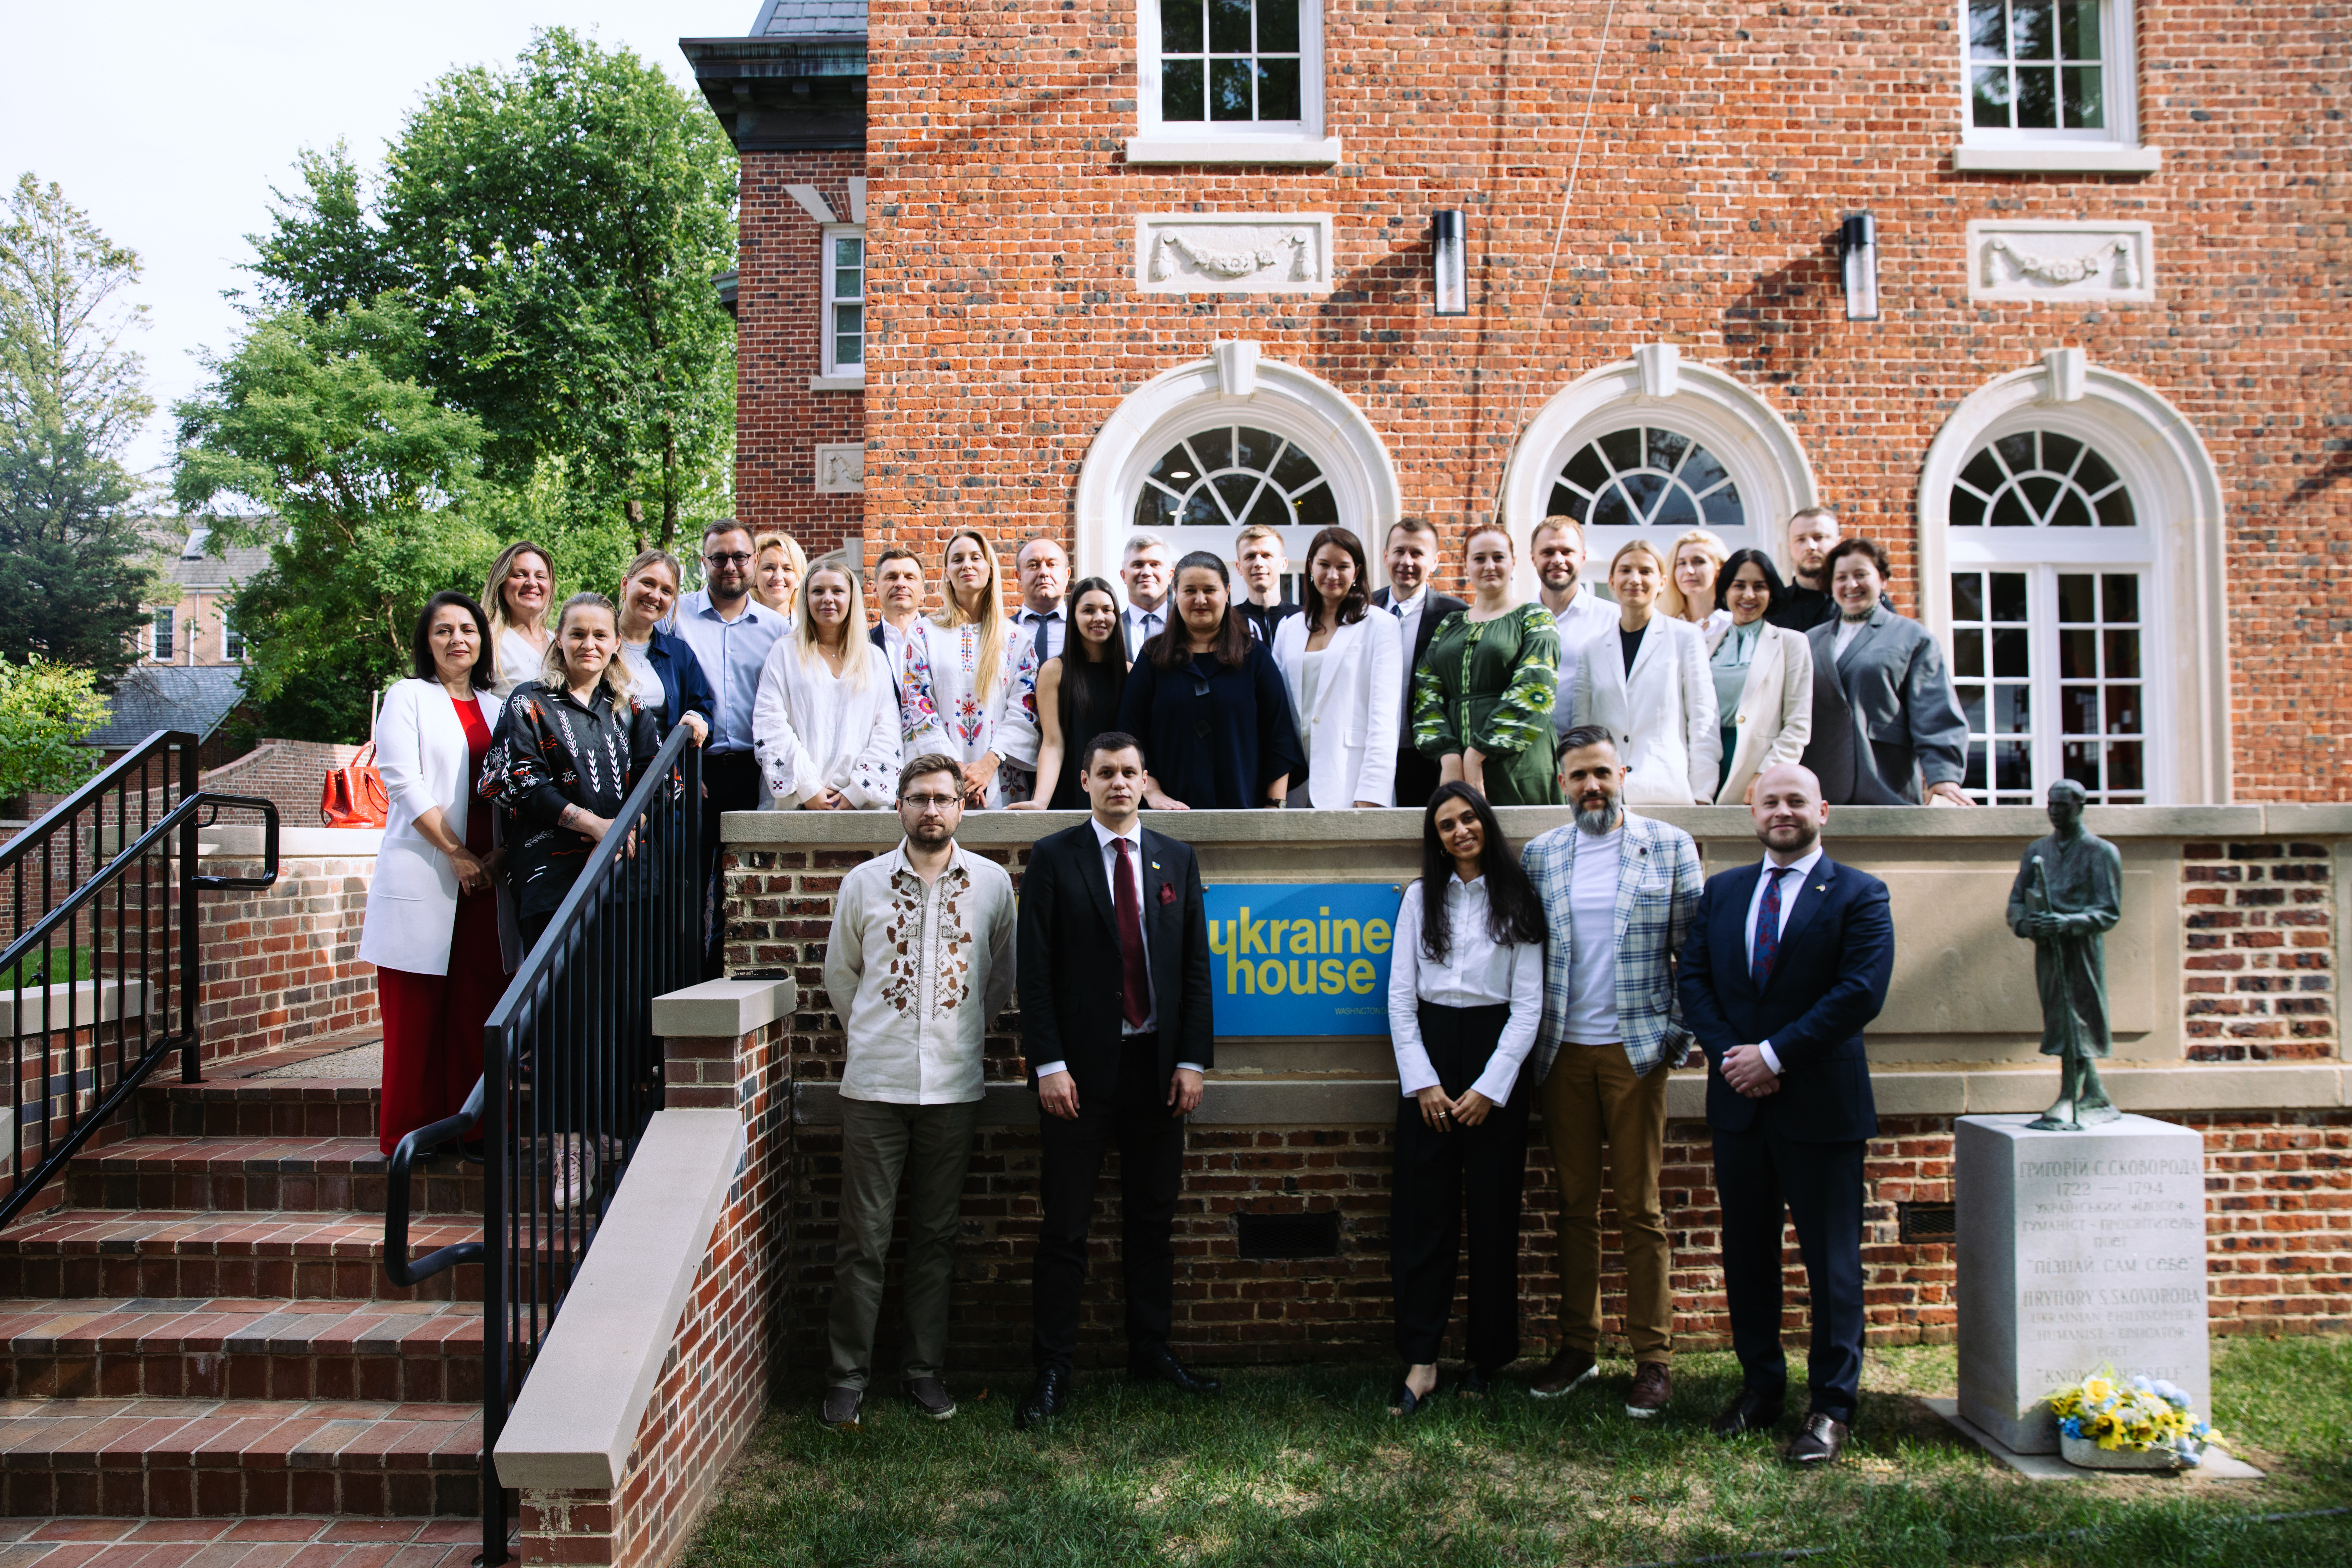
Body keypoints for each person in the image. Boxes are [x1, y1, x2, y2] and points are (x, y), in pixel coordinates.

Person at [1678, 762, 1894, 1465]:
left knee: (1832, 1261)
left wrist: (1772, 1055)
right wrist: (1730, 1057)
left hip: (1821, 1107)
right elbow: (1694, 983)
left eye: (1796, 800)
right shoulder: (1723, 892)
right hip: (1739, 1106)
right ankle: (1760, 1386)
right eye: (1770, 800)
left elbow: (1859, 993)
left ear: (1822, 811)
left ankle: (1832, 1405)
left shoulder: (1860, 894)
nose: (1783, 810)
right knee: (1747, 1253)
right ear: (1752, 811)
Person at [1015, 732, 1218, 1428]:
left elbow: (1195, 967)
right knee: (1065, 1226)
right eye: (1107, 773)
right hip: (1077, 1075)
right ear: (1084, 781)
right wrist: (1048, 1064)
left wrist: (1192, 1060)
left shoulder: (1176, 858)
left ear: (1144, 779)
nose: (1120, 784)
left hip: (1157, 1071)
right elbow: (1033, 973)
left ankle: (1151, 1350)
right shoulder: (1052, 858)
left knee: (1152, 1220)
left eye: (1131, 772)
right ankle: (1052, 1368)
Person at [817, 753, 1017, 1430]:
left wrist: (953, 1036)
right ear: (898, 806)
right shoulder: (863, 884)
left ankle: (924, 1371)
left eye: (944, 798)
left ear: (963, 806)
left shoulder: (991, 886)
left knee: (935, 1236)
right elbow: (841, 977)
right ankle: (847, 1377)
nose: (932, 809)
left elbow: (997, 983)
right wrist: (884, 1033)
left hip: (955, 1088)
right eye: (919, 797)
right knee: (862, 1239)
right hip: (874, 1085)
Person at [1520, 727, 1706, 1417]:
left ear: (1622, 772)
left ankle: (1652, 1357)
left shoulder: (1669, 846)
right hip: (1562, 1050)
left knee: (1641, 1209)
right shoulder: (1542, 855)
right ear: (1560, 783)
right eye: (1577, 777)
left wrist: (1675, 1038)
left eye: (1601, 773)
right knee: (1574, 1207)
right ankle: (1578, 1345)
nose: (1591, 787)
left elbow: (1695, 950)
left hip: (1637, 1052)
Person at [482, 593, 666, 1211]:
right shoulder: (530, 704)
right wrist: (591, 825)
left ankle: (610, 1138)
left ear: (617, 643)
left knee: (616, 1013)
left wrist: (623, 834)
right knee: (564, 1017)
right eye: (578, 633)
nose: (590, 644)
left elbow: (654, 776)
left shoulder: (627, 707)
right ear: (557, 639)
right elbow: (515, 780)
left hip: (625, 882)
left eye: (601, 635)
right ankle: (568, 1148)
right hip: (554, 881)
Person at [1384, 784, 1546, 1416]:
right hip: (1429, 1053)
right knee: (1425, 1218)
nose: (1460, 831)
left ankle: (1486, 1356)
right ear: (1437, 836)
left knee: (1493, 1215)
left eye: (1469, 818)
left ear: (1487, 823)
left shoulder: (1518, 897)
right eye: (1447, 824)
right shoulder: (1420, 898)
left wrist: (1488, 1089)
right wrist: (1423, 1081)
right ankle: (1422, 1360)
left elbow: (1529, 1004)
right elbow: (1400, 997)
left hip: (1495, 1054)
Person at [361, 592, 511, 1156]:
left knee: (477, 1008)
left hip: (487, 880)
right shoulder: (408, 697)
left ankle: (473, 1128)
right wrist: (455, 851)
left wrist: (499, 856)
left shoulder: (500, 707)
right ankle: (408, 1134)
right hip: (429, 867)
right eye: (443, 630)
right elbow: (402, 782)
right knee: (416, 1012)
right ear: (427, 642)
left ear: (482, 639)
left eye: (467, 629)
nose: (457, 640)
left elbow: (515, 786)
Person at [670, 519, 790, 973]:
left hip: (751, 772)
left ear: (754, 563)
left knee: (736, 887)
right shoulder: (675, 618)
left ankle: (720, 979)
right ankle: (681, 980)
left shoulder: (778, 628)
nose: (730, 567)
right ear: (704, 563)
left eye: (740, 557)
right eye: (718, 558)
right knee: (687, 884)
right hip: (692, 770)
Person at [1116, 552, 1304, 809]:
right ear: (1176, 593)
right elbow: (1131, 733)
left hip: (1245, 811)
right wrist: (1153, 794)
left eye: (1210, 590)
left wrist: (1274, 806)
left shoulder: (1255, 657)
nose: (1200, 599)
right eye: (1190, 590)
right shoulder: (1153, 657)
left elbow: (1279, 735)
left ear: (1227, 592)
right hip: (1167, 818)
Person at [1810, 538, 1971, 806]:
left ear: (1882, 579)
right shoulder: (1807, 641)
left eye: (1861, 574)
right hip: (1818, 792)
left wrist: (1943, 776)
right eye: (1841, 577)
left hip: (1885, 784)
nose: (1851, 585)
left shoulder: (1912, 637)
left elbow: (1934, 712)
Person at [1412, 525, 1561, 807]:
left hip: (1520, 763)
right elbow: (1425, 695)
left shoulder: (1535, 617)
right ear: (1466, 564)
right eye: (1479, 558)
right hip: (1454, 770)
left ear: (1513, 562)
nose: (1489, 566)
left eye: (1498, 557)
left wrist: (1478, 752)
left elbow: (1536, 691)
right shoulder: (1450, 625)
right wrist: (1448, 755)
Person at [896, 528, 1041, 809]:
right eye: (957, 559)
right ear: (947, 572)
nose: (967, 565)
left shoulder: (1016, 638)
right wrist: (957, 771)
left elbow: (1025, 708)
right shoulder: (923, 633)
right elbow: (917, 703)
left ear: (990, 570)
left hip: (1000, 773)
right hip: (941, 776)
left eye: (976, 557)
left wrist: (988, 764)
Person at [1569, 539, 1719, 805]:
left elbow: (1703, 722)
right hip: (1606, 796)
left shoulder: (1686, 638)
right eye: (1625, 570)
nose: (1634, 579)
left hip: (1667, 792)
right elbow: (1582, 729)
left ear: (1662, 582)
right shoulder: (1591, 649)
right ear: (1612, 582)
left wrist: (1702, 795)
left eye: (1645, 571)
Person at [752, 555, 901, 810]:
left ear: (851, 598)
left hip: (861, 807)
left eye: (838, 591)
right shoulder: (784, 652)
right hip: (797, 802)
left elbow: (888, 730)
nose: (827, 599)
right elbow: (770, 722)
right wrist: (809, 789)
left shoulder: (874, 659)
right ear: (806, 598)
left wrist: (857, 792)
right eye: (818, 591)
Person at [1271, 526, 1401, 808]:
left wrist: (1371, 793)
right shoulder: (1289, 628)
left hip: (1349, 778)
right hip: (1295, 783)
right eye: (1324, 565)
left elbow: (1384, 717)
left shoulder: (1381, 625)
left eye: (1342, 566)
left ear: (1357, 571)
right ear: (1310, 567)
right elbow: (1277, 711)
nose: (1332, 575)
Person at [1370, 519, 1466, 811]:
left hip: (1432, 757)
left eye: (1417, 553)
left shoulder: (1457, 616)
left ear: (1435, 561)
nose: (1406, 561)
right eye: (1399, 551)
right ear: (1386, 555)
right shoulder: (1362, 610)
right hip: (1373, 756)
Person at [1706, 549, 1814, 805]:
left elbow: (1797, 725)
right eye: (1739, 586)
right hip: (1704, 767)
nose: (1748, 595)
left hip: (1755, 768)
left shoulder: (1792, 644)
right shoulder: (1702, 642)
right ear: (1724, 591)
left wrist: (1768, 774)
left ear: (1771, 593)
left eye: (1759, 586)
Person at [1012, 576, 1127, 811]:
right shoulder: (1055, 671)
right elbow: (1053, 743)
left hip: (1120, 791)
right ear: (1073, 618)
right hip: (1072, 790)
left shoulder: (1129, 673)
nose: (1099, 617)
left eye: (1107, 609)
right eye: (1088, 610)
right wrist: (1040, 801)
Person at [612, 549, 714, 747]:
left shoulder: (679, 655)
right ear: (626, 584)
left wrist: (695, 720)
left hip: (660, 774)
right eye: (648, 583)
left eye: (666, 591)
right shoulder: (595, 645)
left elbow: (703, 710)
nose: (655, 595)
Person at [1531, 516, 1617, 744]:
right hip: (1531, 754)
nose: (1558, 560)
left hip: (1593, 749)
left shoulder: (1612, 619)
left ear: (1584, 558)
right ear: (1533, 559)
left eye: (1567, 552)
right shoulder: (1519, 620)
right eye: (1548, 552)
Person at [481, 540, 555, 696]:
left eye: (540, 576)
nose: (532, 583)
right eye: (520, 575)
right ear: (501, 584)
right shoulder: (486, 642)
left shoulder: (560, 642)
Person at [1765, 507, 1844, 632]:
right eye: (1801, 540)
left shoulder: (1859, 601)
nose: (1810, 547)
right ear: (1790, 547)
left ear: (1838, 543)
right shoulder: (1771, 608)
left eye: (1819, 537)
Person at [869, 546, 925, 709]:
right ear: (875, 590)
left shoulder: (941, 640)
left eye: (910, 578)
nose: (901, 584)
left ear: (923, 592)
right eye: (892, 577)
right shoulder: (861, 644)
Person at [1232, 523, 1301, 644]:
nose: (1259, 563)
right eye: (1250, 557)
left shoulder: (1303, 619)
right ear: (1239, 568)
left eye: (1267, 555)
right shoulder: (1229, 621)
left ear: (1283, 564)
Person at [1661, 527, 1732, 641]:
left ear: (1720, 568)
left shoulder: (1731, 623)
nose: (1689, 571)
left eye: (1699, 562)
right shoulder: (1665, 626)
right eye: (1682, 563)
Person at [1013, 535, 1072, 664]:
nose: (1044, 572)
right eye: (1034, 565)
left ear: (1067, 576)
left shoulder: (1082, 629)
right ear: (1020, 577)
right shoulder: (1001, 633)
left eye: (1052, 565)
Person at [1118, 532, 1175, 658]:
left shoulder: (1188, 626)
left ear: (1170, 575)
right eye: (1138, 565)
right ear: (1124, 576)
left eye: (1155, 565)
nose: (1147, 572)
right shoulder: (1112, 628)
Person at [753, 532, 807, 623]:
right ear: (753, 577)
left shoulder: (809, 626)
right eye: (769, 568)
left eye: (787, 569)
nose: (778, 578)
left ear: (798, 579)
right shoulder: (737, 625)